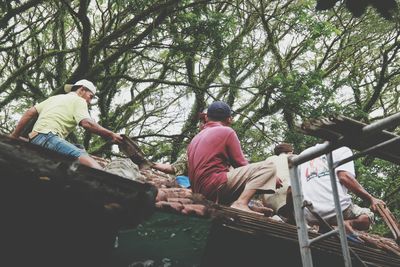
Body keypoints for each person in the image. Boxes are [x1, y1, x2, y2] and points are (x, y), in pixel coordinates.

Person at [187, 101, 281, 213]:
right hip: (213, 186)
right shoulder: (227, 131)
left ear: (207, 118)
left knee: (228, 170)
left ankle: (247, 205)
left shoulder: (195, 138)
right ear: (229, 119)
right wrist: (270, 176)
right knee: (268, 167)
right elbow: (240, 164)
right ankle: (241, 203)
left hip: (198, 191)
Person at [10, 79, 123, 169]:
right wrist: (111, 134)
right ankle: (102, 183)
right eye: (90, 96)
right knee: (83, 157)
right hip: (48, 137)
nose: (89, 101)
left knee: (80, 148)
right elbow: (87, 123)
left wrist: (14, 136)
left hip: (34, 138)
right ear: (82, 90)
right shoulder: (79, 101)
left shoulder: (54, 98)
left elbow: (29, 112)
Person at [299, 143, 385, 232]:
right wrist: (371, 199)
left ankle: (326, 227)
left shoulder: (303, 155)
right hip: (336, 210)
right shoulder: (341, 149)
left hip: (310, 213)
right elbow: (345, 177)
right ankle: (349, 223)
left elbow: (292, 189)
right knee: (368, 217)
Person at [262, 143, 294, 220]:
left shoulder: (268, 160)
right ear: (290, 152)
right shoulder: (293, 157)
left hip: (269, 202)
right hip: (288, 199)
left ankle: (280, 216)